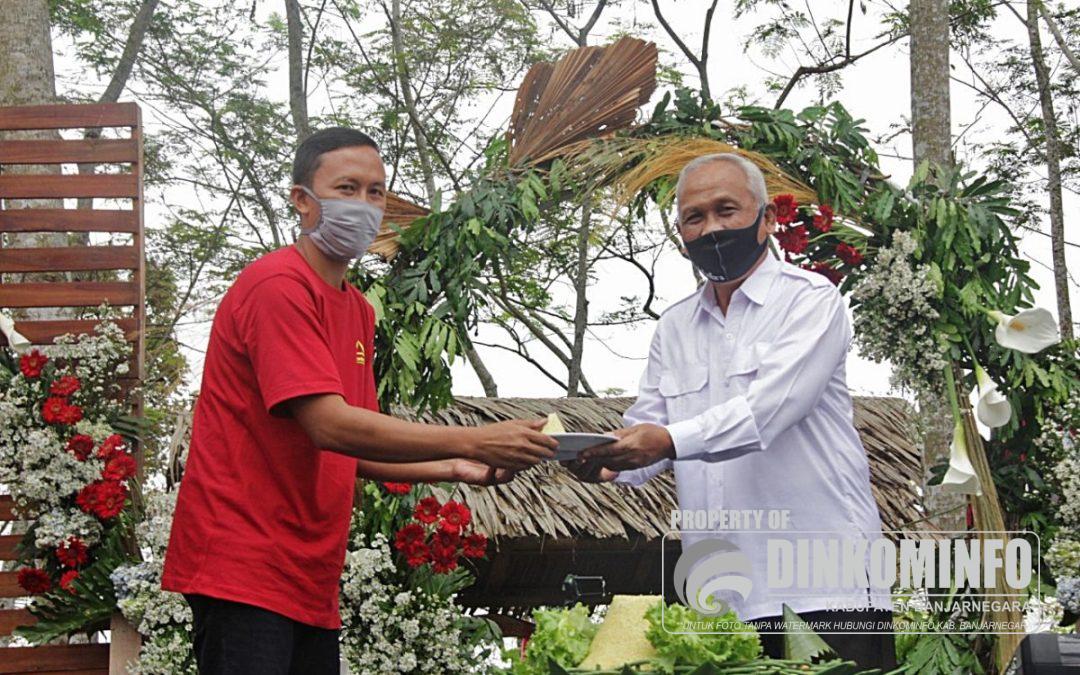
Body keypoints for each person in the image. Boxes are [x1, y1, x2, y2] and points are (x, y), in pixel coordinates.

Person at [161, 127, 558, 675]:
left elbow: (351, 441)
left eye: (376, 192)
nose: (366, 206)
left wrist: (454, 467)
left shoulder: (357, 311)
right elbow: (330, 425)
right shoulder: (276, 286)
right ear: (302, 200)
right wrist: (478, 436)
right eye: (347, 188)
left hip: (309, 572)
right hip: (243, 561)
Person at [566, 153, 896, 668]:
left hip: (826, 587)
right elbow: (650, 436)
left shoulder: (811, 301)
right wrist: (606, 461)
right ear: (680, 236)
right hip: (722, 601)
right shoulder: (673, 327)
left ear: (767, 220)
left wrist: (666, 441)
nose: (712, 228)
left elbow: (767, 412)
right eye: (695, 218)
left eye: (727, 210)